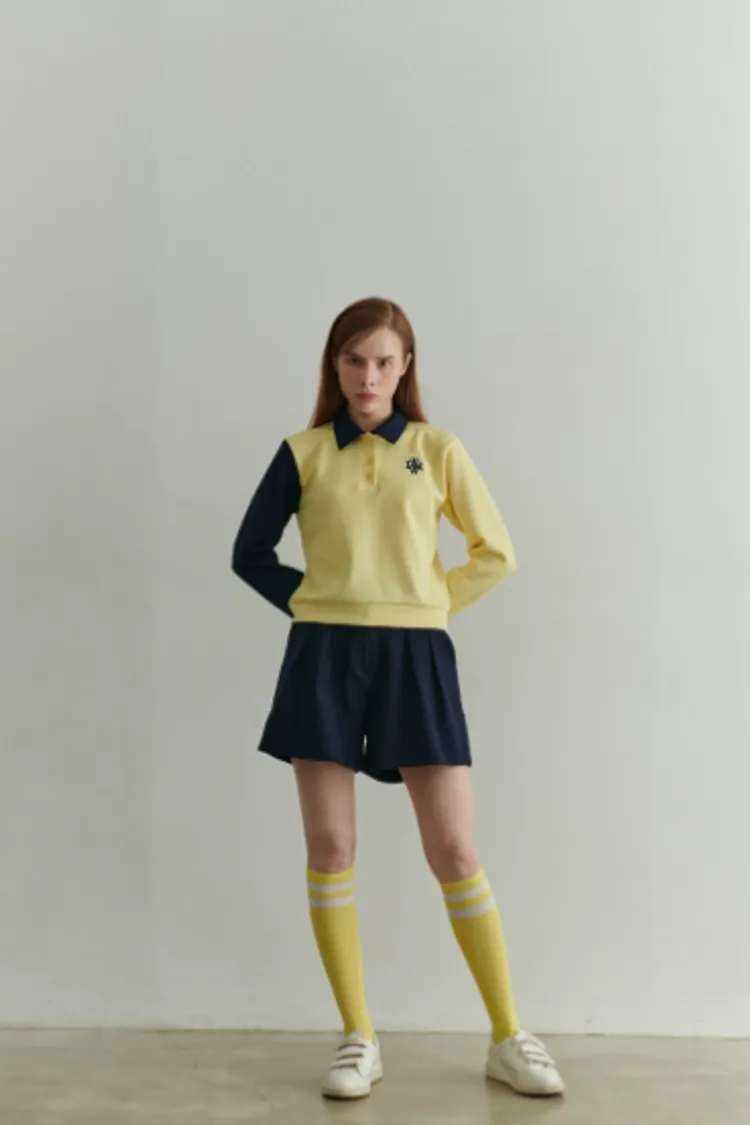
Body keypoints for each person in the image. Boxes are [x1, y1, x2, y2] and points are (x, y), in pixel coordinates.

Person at [231, 297, 564, 1101]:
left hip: (418, 657)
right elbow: (249, 552)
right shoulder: (304, 453)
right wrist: (315, 602)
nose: (368, 375)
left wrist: (430, 602)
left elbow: (496, 552)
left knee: (455, 850)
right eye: (353, 360)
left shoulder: (437, 449)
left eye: (383, 360)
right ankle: (359, 1035)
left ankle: (508, 1034)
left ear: (406, 364)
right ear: (334, 365)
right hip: (323, 656)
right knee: (331, 847)